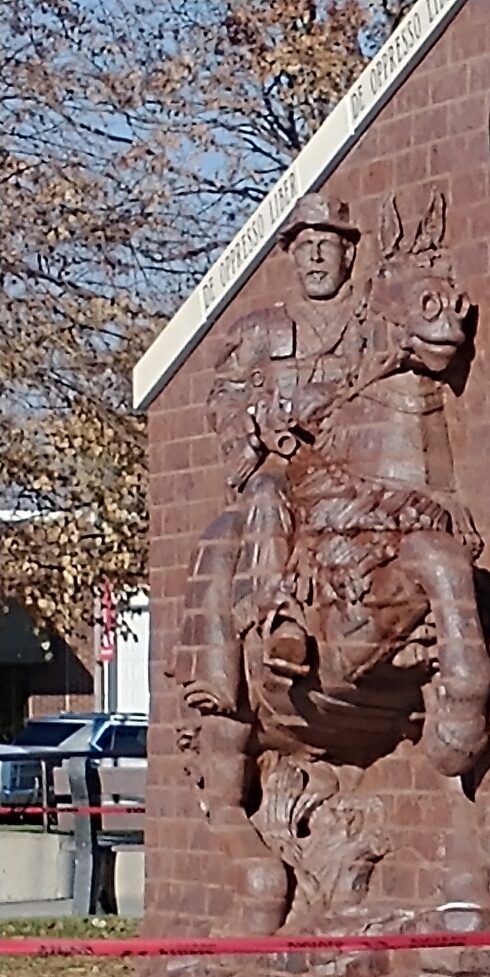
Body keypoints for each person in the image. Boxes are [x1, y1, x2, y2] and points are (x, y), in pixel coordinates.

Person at [192, 194, 366, 714]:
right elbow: (225, 395)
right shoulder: (260, 330)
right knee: (265, 494)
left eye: (326, 246)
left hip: (359, 473)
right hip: (287, 474)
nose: (315, 257)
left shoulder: (370, 320)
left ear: (348, 256)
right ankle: (279, 618)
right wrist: (251, 428)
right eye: (305, 246)